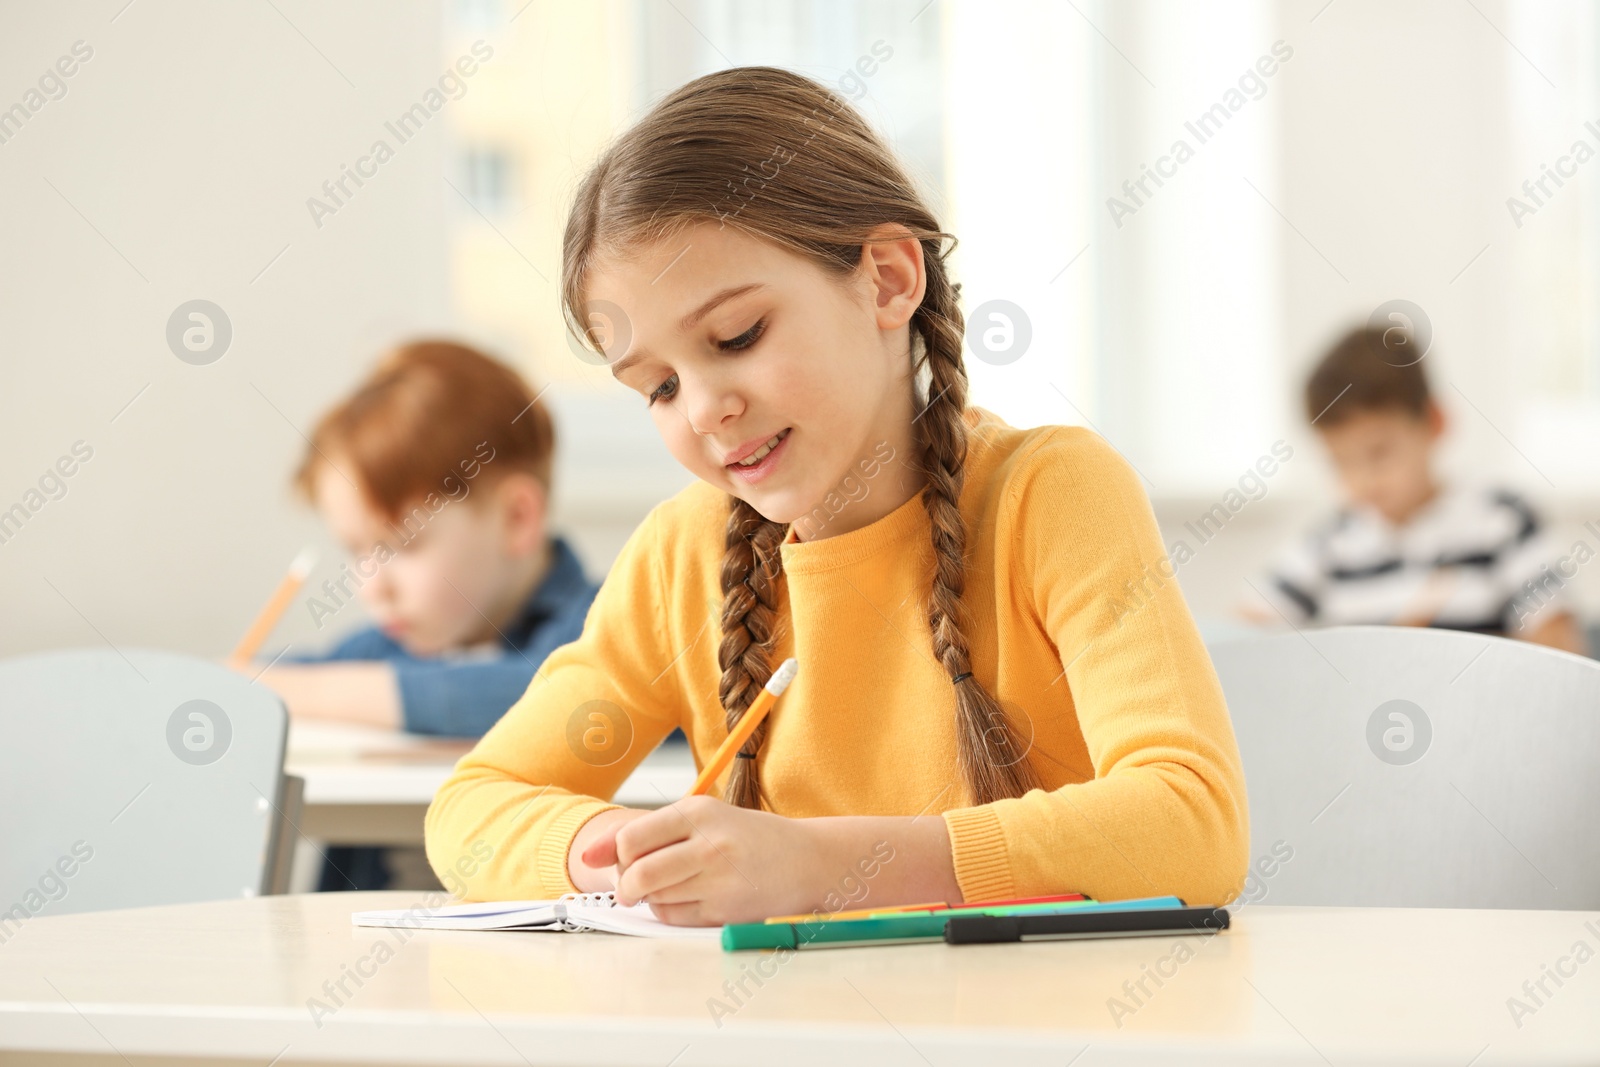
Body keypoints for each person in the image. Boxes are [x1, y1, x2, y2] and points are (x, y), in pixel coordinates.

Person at [425, 67, 1250, 925]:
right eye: (660, 387)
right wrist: (627, 854)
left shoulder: (1054, 494)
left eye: (738, 336)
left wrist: (824, 866)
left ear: (889, 280)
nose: (706, 408)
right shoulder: (681, 555)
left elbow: (1193, 824)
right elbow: (471, 811)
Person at [257, 339, 603, 890]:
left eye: (401, 546)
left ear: (516, 519)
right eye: (357, 550)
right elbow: (278, 676)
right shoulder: (386, 647)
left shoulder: (606, 625)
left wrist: (296, 690)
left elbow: (547, 697)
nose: (374, 588)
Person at [1243, 326, 1586, 653]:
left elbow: (1556, 643)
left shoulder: (1503, 520)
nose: (1363, 481)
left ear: (1434, 423)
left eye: (1379, 453)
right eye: (1340, 462)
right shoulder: (1327, 546)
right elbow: (1245, 635)